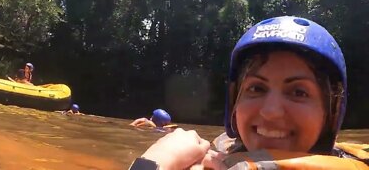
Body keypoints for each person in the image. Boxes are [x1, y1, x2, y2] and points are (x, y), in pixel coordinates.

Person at [128, 16, 369, 170]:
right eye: (256, 88)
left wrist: (153, 163)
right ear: (235, 101)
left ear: (332, 112)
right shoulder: (220, 153)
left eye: (298, 92)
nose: (270, 111)